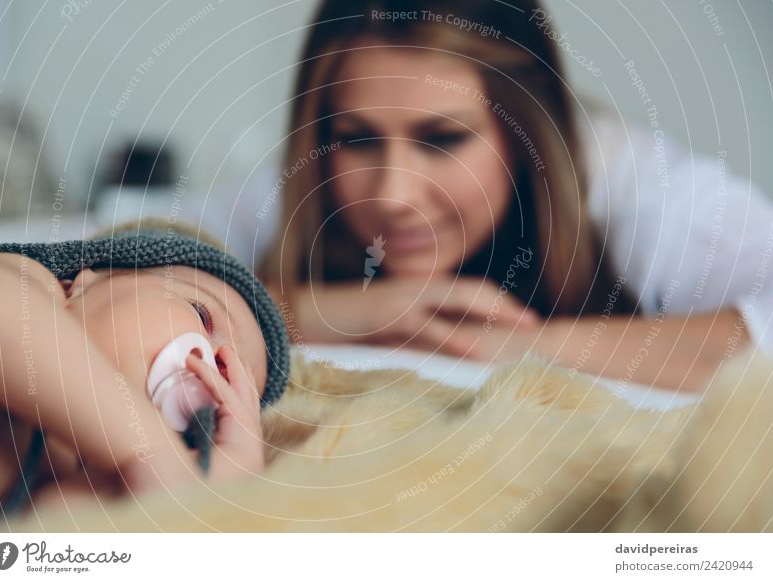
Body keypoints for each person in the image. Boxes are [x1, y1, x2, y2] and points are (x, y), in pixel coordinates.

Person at [257, 0, 773, 391]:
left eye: (443, 140)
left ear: (528, 130)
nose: (394, 196)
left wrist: (511, 346)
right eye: (358, 138)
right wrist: (331, 312)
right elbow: (177, 261)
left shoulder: (643, 190)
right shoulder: (302, 183)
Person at [0, 229, 290, 517]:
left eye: (233, 387)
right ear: (90, 278)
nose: (214, 370)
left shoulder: (81, 469)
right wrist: (155, 452)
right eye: (200, 313)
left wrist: (217, 482)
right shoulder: (34, 284)